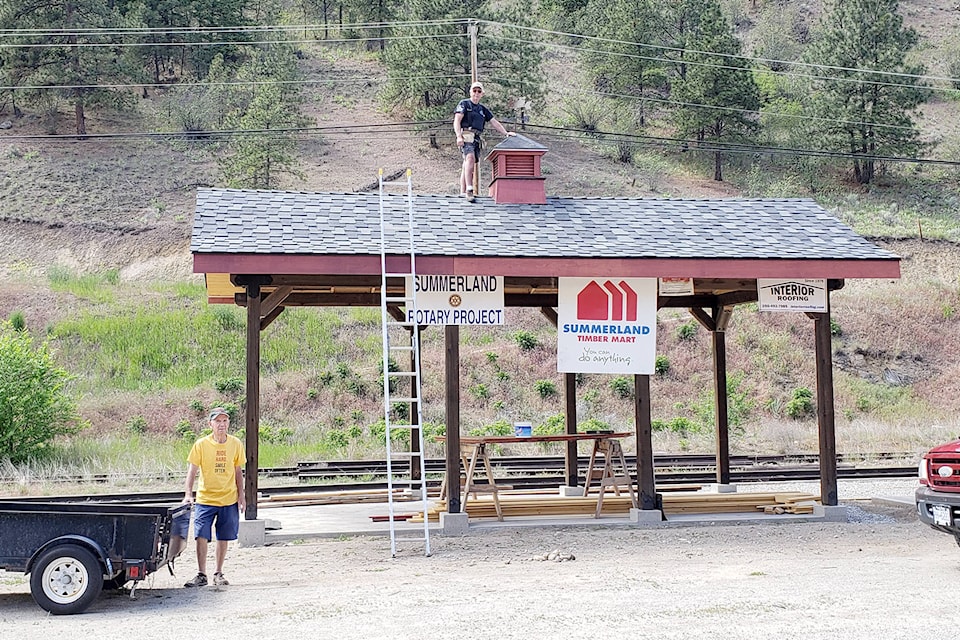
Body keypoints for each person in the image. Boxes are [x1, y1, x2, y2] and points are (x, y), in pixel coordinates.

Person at [179, 407, 246, 588]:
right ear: (210, 424)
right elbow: (192, 471)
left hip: (228, 498)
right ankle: (201, 574)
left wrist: (242, 495)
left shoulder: (236, 444)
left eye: (225, 421)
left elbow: (238, 471)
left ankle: (218, 572)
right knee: (201, 535)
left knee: (223, 536)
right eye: (218, 421)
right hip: (205, 499)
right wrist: (188, 494)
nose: (222, 424)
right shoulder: (201, 444)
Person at [453, 81, 516, 200]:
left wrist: (506, 133)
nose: (476, 93)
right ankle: (469, 189)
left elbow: (494, 122)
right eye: (474, 90)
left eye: (479, 91)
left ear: (482, 94)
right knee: (469, 158)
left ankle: (463, 191)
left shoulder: (483, 109)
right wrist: (458, 136)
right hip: (466, 135)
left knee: (467, 163)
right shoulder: (464, 104)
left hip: (476, 138)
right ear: (470, 92)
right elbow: (457, 120)